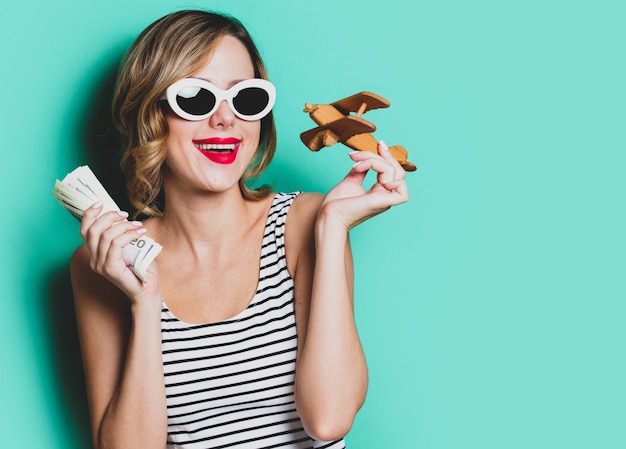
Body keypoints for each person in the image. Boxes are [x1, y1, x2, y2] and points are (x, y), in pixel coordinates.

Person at [70, 9, 409, 449]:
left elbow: (328, 421)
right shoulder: (106, 259)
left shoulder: (306, 223)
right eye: (196, 99)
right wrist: (145, 301)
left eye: (245, 99)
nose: (226, 119)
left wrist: (331, 228)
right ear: (149, 113)